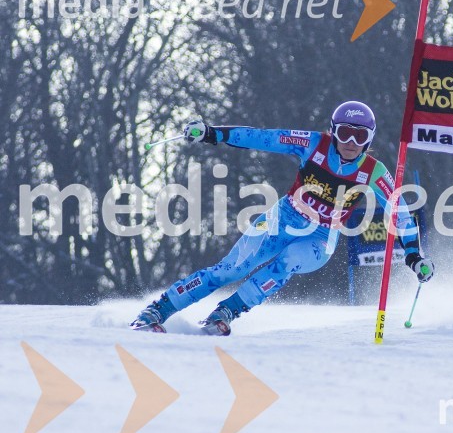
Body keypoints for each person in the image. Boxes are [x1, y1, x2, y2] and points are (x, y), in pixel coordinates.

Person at [130, 101, 434, 335]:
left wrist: (413, 256)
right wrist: (212, 133)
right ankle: (157, 311)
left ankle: (225, 314)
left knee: (286, 262)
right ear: (333, 130)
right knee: (232, 269)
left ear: (369, 139)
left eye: (360, 136)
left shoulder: (374, 171)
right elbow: (265, 139)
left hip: (322, 237)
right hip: (284, 216)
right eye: (344, 133)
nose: (351, 142)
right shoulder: (314, 144)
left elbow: (401, 213)